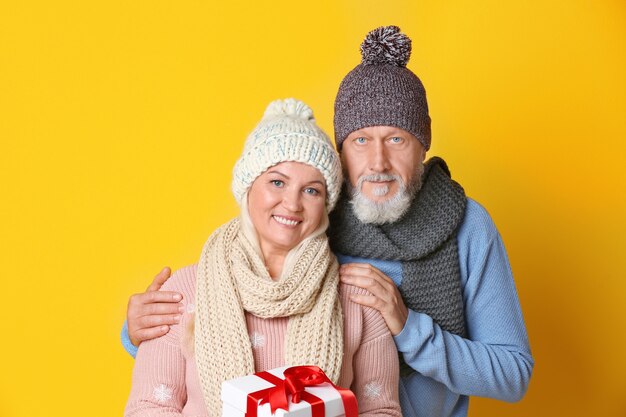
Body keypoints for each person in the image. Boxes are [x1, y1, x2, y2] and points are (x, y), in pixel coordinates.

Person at [122, 26, 534, 417]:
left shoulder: (466, 225)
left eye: (396, 139)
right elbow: (230, 295)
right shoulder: (309, 215)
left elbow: (513, 374)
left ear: (422, 143)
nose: (378, 163)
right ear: (340, 152)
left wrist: (409, 328)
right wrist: (138, 330)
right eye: (360, 141)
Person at [124, 98, 402, 416]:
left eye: (311, 190)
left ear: (326, 204)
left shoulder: (356, 297)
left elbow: (382, 409)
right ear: (248, 188)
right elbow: (148, 406)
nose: (292, 203)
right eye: (277, 182)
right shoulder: (185, 290)